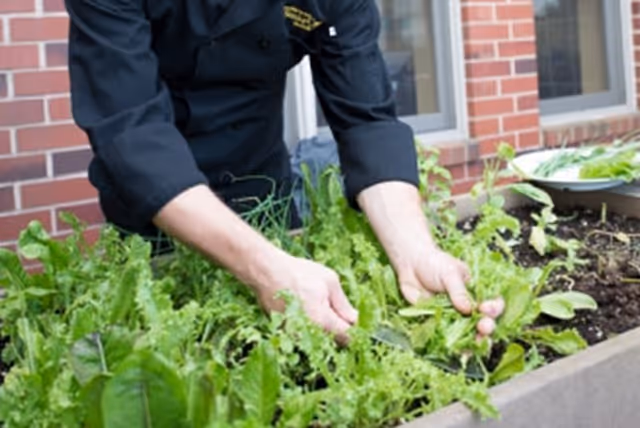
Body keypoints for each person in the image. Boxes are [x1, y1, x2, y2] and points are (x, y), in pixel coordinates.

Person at [64, 0, 504, 344]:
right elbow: (132, 131)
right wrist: (265, 269)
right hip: (154, 209)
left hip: (263, 188)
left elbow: (365, 119)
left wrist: (417, 252)